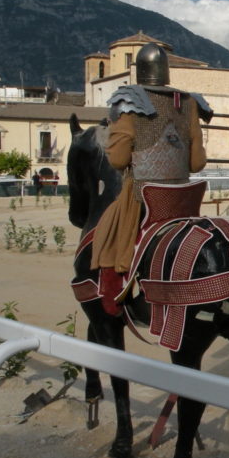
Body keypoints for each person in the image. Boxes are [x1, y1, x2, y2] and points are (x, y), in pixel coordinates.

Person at [90, 42, 211, 315]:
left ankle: (112, 298)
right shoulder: (189, 103)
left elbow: (118, 160)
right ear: (166, 71)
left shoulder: (128, 101)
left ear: (140, 70)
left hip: (142, 198)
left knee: (107, 233)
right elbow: (197, 163)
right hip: (183, 201)